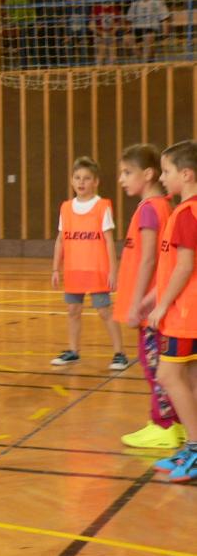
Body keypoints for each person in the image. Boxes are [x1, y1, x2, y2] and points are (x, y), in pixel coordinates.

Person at [115, 144, 181, 448]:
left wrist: (136, 304)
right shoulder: (161, 207)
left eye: (127, 173)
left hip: (150, 308)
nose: (121, 179)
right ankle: (176, 422)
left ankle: (163, 425)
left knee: (153, 365)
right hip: (157, 303)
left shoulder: (149, 209)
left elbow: (148, 260)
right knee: (161, 364)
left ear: (149, 174)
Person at [144, 140, 197, 482]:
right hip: (186, 311)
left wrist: (162, 305)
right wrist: (155, 296)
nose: (162, 178)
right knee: (190, 378)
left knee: (167, 376)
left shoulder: (187, 213)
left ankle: (195, 446)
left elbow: (185, 266)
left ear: (187, 174)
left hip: (184, 314)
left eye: (166, 171)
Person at [51, 156, 128, 369]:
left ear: (95, 182)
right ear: (71, 180)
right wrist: (55, 268)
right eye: (77, 177)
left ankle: (120, 353)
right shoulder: (66, 208)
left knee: (104, 311)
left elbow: (109, 241)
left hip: (97, 270)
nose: (81, 182)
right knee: (73, 311)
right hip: (74, 270)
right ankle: (73, 351)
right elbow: (60, 240)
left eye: (86, 178)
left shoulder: (102, 206)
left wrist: (113, 271)